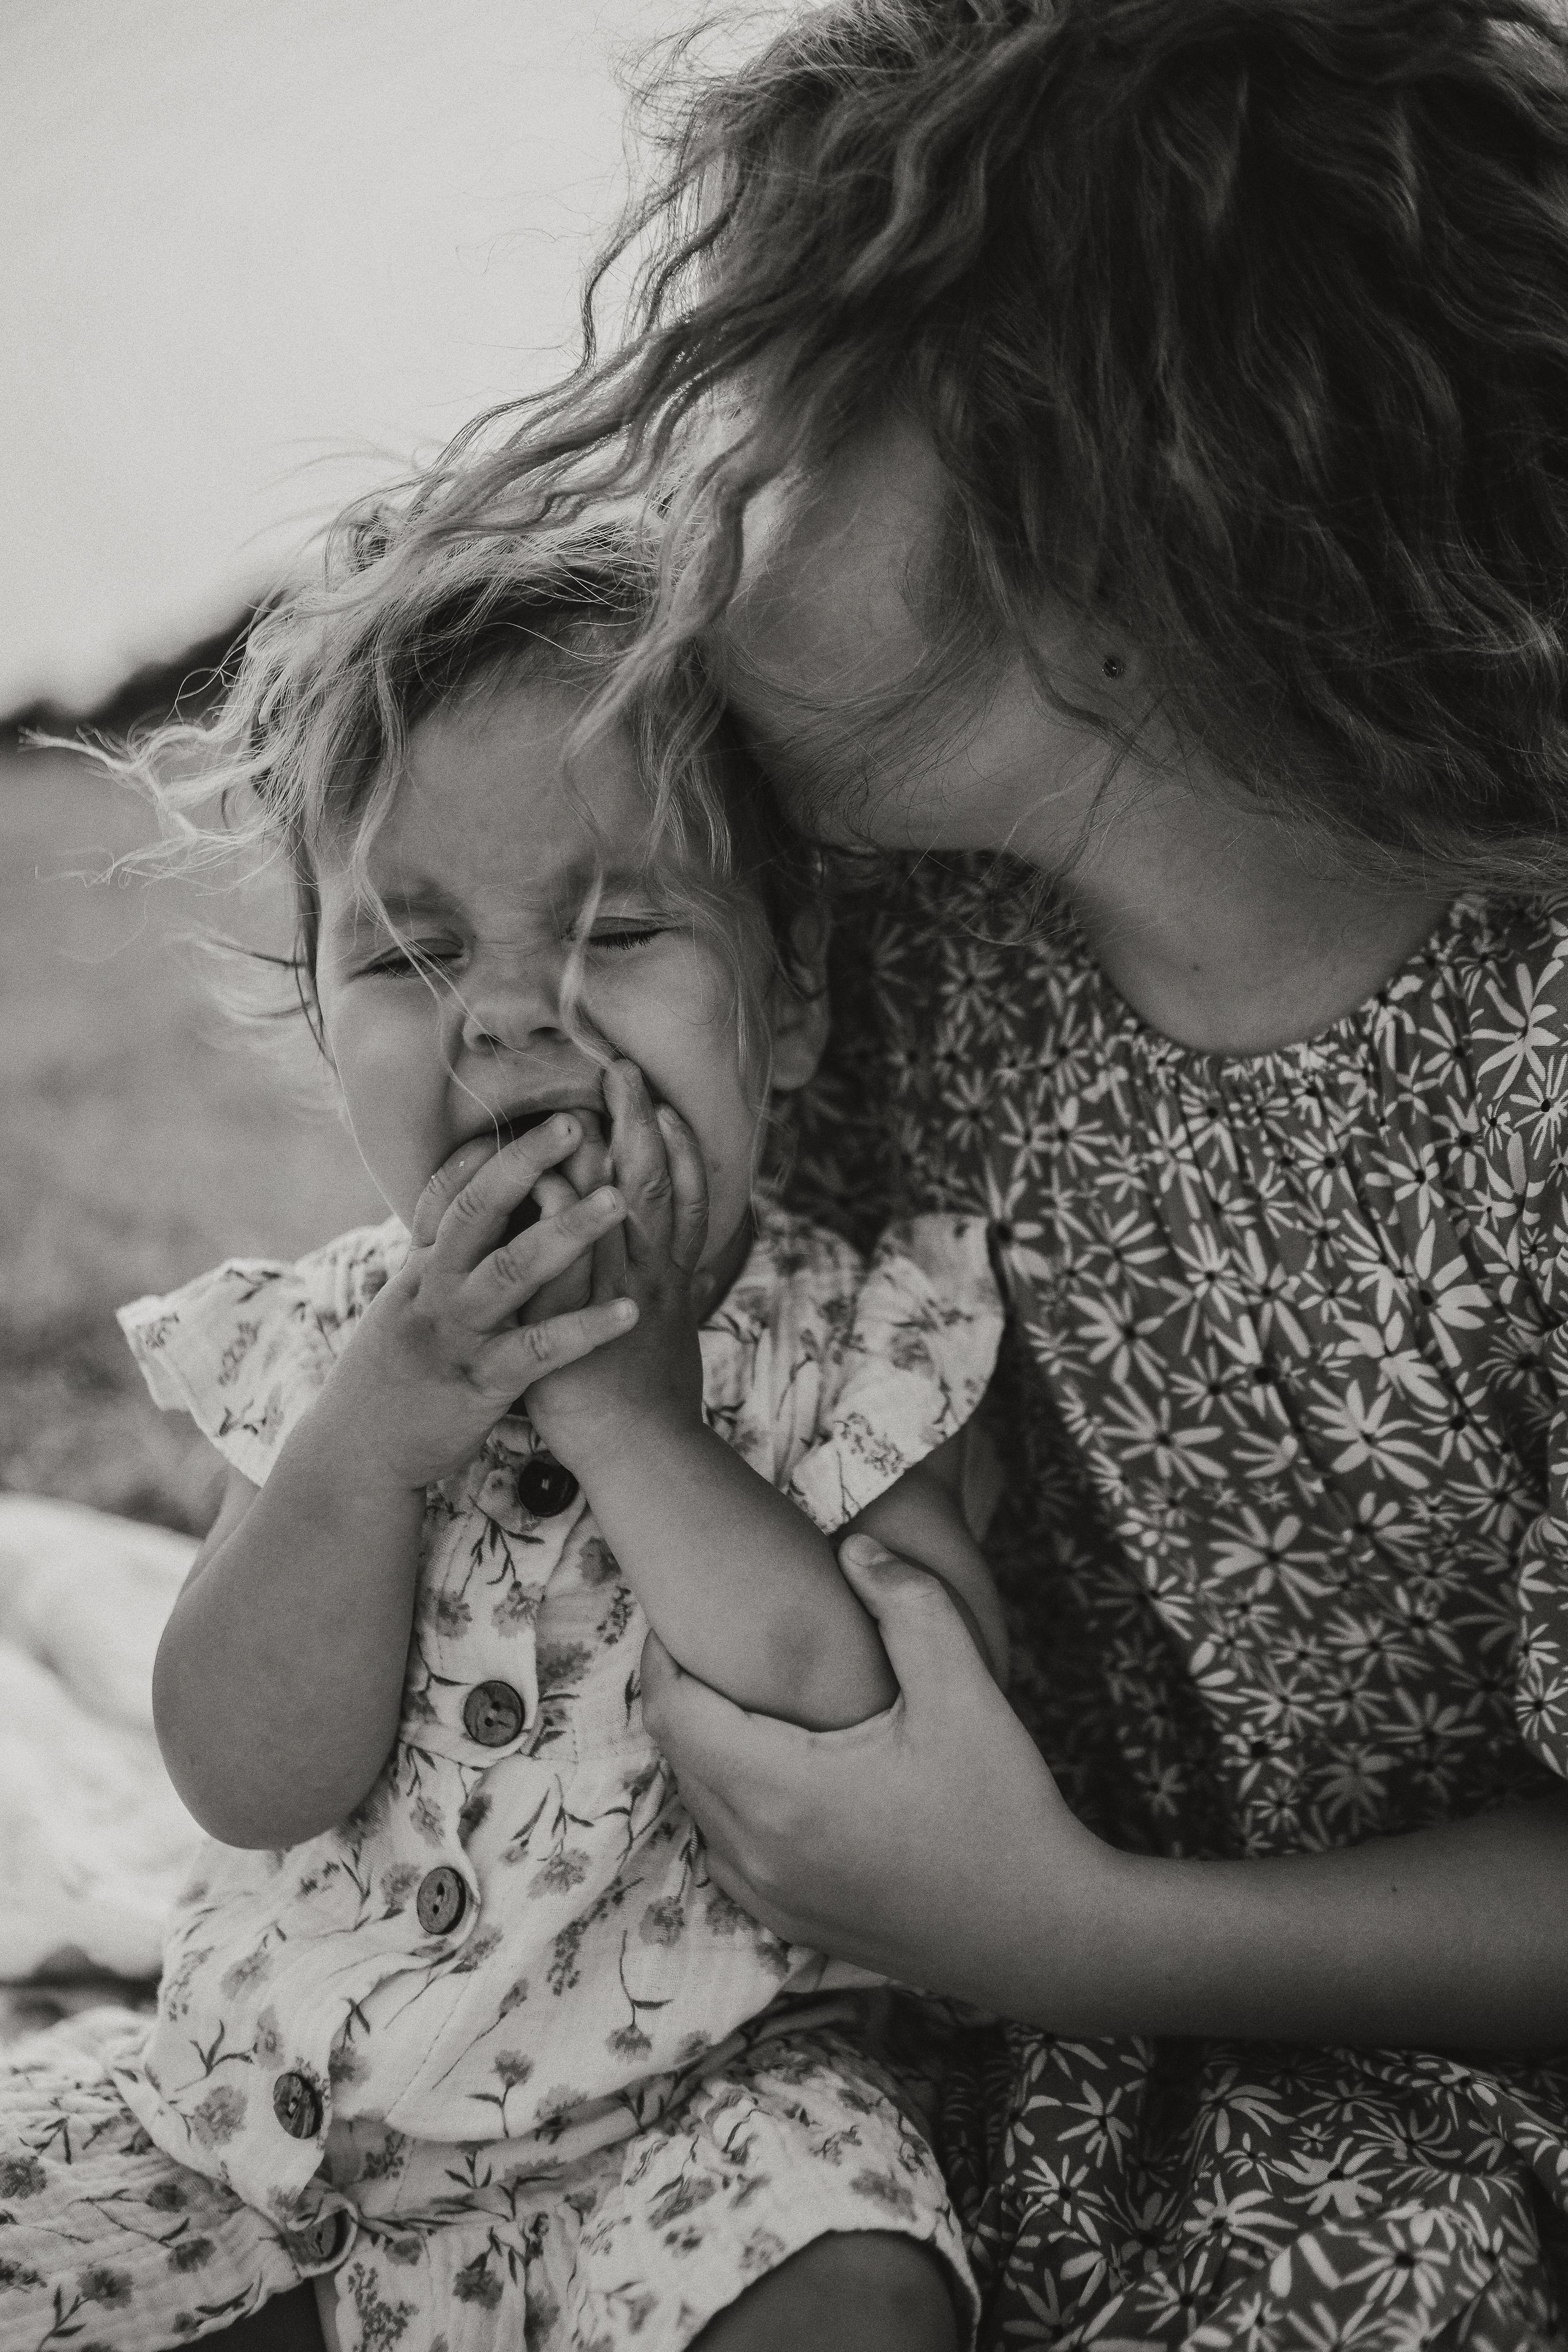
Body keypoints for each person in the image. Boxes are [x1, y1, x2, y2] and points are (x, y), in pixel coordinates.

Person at [404, 0, 1568, 2341]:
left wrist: (1070, 1935)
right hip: (837, 2009)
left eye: (782, 421)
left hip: (1385, 2060)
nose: (692, 508)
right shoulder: (896, 943)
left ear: (1127, 513)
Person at [0, 522, 1011, 2351]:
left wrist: (637, 1421)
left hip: (700, 2140)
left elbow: (880, 1723)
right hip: (272, 2140)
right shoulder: (325, 1353)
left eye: (615, 930)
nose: (505, 1013)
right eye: (404, 956)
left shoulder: (860, 1339)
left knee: (858, 2286)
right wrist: (362, 1453)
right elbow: (242, 1770)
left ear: (789, 1003)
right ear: (322, 1022)